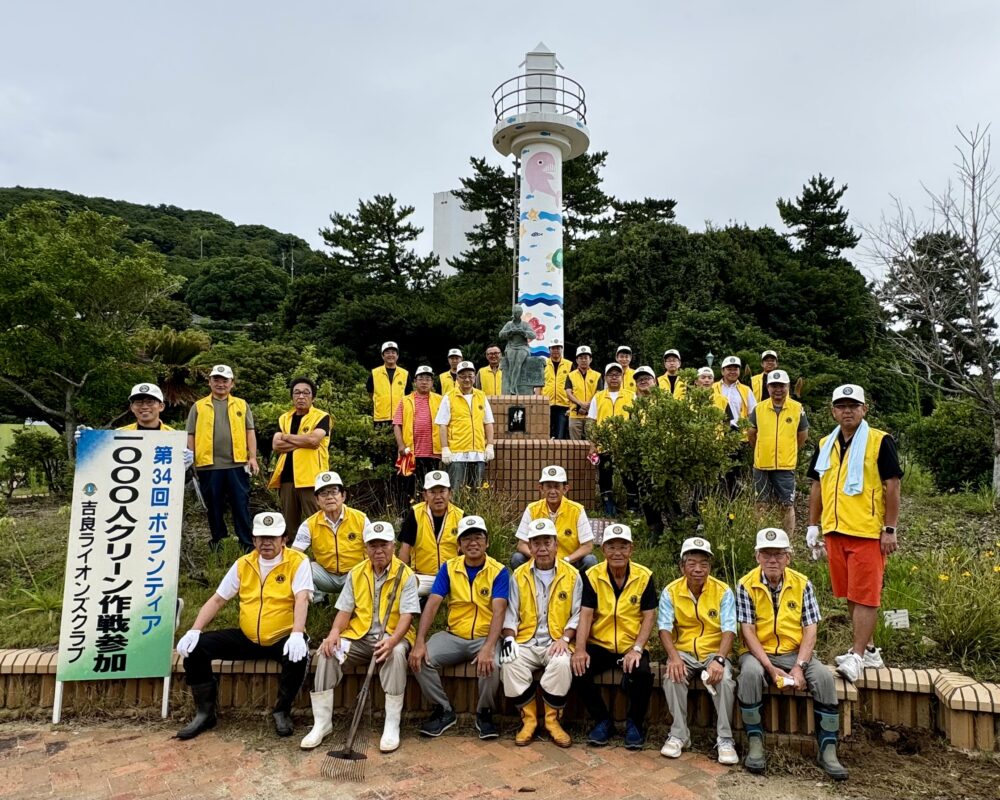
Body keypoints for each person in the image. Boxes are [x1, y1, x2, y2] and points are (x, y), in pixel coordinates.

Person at [174, 512, 312, 739]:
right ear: (254, 539)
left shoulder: (297, 562)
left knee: (298, 655)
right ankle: (204, 713)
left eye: (273, 537)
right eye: (261, 537)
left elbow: (302, 598)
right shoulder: (243, 564)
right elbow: (218, 599)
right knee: (197, 648)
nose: (266, 543)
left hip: (282, 636)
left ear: (284, 539)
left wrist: (297, 633)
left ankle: (282, 710)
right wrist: (194, 629)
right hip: (247, 637)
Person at [806, 384, 902, 682]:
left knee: (866, 596)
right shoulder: (825, 442)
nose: (847, 410)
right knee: (850, 593)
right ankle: (870, 650)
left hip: (866, 531)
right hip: (835, 529)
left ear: (864, 408)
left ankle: (858, 656)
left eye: (853, 405)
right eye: (841, 405)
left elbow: (893, 485)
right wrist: (812, 524)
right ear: (833, 410)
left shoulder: (879, 441)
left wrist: (889, 528)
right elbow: (817, 485)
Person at [736, 528, 847, 780]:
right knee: (750, 673)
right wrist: (770, 668)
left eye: (778, 554)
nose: (772, 560)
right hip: (757, 653)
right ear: (757, 557)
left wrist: (799, 666)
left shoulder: (802, 583)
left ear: (789, 557)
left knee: (824, 678)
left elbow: (810, 629)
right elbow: (748, 631)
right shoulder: (745, 584)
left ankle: (828, 750)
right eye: (766, 554)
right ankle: (755, 744)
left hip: (795, 652)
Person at [300, 521, 420, 754]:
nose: (378, 550)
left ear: (393, 546)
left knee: (395, 654)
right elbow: (344, 611)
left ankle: (391, 724)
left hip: (393, 635)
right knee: (328, 652)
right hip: (359, 635)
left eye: (383, 544)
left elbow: (407, 616)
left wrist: (393, 640)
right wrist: (334, 633)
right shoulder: (356, 572)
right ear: (366, 548)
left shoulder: (405, 574)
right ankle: (322, 723)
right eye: (373, 545)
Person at [409, 515, 509, 739]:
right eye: (467, 539)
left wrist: (489, 646)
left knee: (491, 663)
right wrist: (419, 641)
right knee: (419, 658)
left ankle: (484, 713)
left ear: (487, 542)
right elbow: (433, 603)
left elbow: (500, 610)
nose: (473, 543)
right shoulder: (449, 568)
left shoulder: (499, 571)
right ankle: (443, 709)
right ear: (459, 545)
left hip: (485, 635)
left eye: (478, 537)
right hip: (454, 634)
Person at [572, 524, 656, 749]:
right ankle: (602, 721)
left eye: (623, 547)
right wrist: (580, 649)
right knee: (578, 668)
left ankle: (635, 724)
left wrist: (637, 648)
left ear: (631, 549)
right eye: (611, 547)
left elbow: (649, 617)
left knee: (643, 673)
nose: (617, 552)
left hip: (630, 644)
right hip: (600, 643)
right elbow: (586, 615)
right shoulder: (591, 575)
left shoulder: (644, 576)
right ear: (603, 550)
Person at [657, 537, 738, 765]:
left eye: (703, 563)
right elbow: (664, 627)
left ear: (710, 567)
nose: (698, 569)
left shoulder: (723, 591)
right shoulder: (670, 591)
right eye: (691, 563)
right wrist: (673, 658)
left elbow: (729, 629)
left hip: (714, 651)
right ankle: (679, 734)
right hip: (683, 651)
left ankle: (725, 738)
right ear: (682, 566)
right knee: (672, 676)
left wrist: (720, 660)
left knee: (724, 680)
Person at [501, 518, 581, 748]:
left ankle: (552, 721)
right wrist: (508, 638)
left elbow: (578, 613)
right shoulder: (519, 575)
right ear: (530, 547)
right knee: (509, 661)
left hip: (557, 640)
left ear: (556, 544)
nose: (542, 548)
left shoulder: (573, 575)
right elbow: (511, 612)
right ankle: (529, 720)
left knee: (562, 664)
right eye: (536, 543)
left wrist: (565, 638)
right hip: (526, 639)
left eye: (547, 542)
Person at [186, 365, 258, 550]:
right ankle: (218, 541)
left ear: (231, 383)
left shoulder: (242, 404)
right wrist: (191, 459)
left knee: (240, 503)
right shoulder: (199, 406)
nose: (220, 384)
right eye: (216, 380)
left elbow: (249, 431)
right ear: (209, 382)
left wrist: (253, 457)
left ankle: (246, 543)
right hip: (208, 465)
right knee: (214, 505)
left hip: (237, 464)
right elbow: (191, 434)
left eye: (224, 380)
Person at [291, 472, 369, 603]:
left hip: (355, 574)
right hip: (326, 575)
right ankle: (318, 600)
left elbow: (375, 548)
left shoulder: (360, 518)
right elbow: (294, 554)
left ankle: (360, 602)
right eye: (323, 493)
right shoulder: (309, 524)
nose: (329, 497)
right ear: (317, 500)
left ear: (343, 496)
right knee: (300, 567)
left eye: (334, 492)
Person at [268, 377, 331, 541]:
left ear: (313, 397)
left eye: (306, 393)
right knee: (290, 526)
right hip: (287, 478)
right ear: (292, 396)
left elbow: (314, 440)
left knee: (317, 521)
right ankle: (294, 560)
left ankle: (322, 557)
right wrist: (303, 441)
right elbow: (276, 445)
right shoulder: (284, 418)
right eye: (297, 393)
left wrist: (287, 437)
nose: (301, 396)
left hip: (312, 479)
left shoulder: (322, 417)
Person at [747, 369, 808, 535]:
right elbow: (751, 433)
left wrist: (789, 449)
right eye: (774, 385)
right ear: (768, 387)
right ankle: (762, 537)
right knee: (761, 504)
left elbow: (802, 434)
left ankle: (787, 540)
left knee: (786, 505)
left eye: (781, 385)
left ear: (787, 386)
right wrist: (760, 449)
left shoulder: (797, 408)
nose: (778, 389)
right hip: (761, 465)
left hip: (785, 465)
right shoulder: (759, 408)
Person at [510, 465, 597, 571]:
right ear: (541, 488)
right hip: (539, 561)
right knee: (517, 558)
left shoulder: (577, 510)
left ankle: (581, 587)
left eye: (556, 487)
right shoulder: (532, 509)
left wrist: (567, 559)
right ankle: (527, 586)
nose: (552, 491)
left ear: (565, 489)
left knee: (590, 560)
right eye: (548, 487)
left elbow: (588, 546)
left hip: (569, 563)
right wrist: (538, 557)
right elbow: (521, 544)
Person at [397, 470, 464, 596]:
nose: (438, 497)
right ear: (425, 495)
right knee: (406, 589)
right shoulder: (415, 514)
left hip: (453, 576)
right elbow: (405, 550)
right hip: (422, 576)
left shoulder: (460, 516)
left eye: (442, 491)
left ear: (450, 493)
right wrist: (400, 577)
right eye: (432, 492)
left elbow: (467, 551)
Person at [436, 360, 495, 491]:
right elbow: (443, 425)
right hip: (457, 453)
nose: (467, 379)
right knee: (456, 491)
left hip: (478, 453)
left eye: (470, 375)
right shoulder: (449, 397)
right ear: (457, 378)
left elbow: (488, 422)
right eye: (462, 376)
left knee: (477, 491)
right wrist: (445, 448)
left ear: (474, 377)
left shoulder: (481, 396)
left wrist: (490, 445)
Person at [588, 363, 636, 516]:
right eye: (610, 374)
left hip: (625, 444)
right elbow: (592, 422)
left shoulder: (631, 395)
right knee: (605, 477)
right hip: (605, 444)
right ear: (605, 377)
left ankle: (632, 508)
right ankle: (609, 507)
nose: (614, 377)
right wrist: (592, 444)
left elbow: (635, 420)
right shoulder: (598, 396)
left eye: (617, 374)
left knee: (628, 477)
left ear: (622, 377)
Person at [392, 365, 442, 498]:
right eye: (421, 379)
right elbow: (397, 424)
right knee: (408, 486)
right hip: (410, 452)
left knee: (431, 486)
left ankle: (428, 514)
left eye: (427, 379)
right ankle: (405, 515)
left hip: (433, 452)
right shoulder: (405, 400)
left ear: (432, 382)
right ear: (415, 382)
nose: (424, 382)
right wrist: (401, 445)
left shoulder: (441, 400)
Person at [713, 356, 754, 498]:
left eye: (735, 369)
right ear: (722, 371)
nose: (732, 371)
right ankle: (717, 497)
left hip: (738, 435)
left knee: (734, 471)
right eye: (729, 369)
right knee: (717, 469)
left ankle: (732, 498)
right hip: (716, 435)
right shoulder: (713, 388)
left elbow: (752, 414)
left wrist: (749, 434)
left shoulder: (746, 390)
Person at [368, 341, 410, 424]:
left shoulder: (405, 374)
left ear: (397, 355)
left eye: (393, 352)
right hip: (380, 417)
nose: (391, 355)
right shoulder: (374, 373)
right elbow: (370, 393)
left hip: (400, 417)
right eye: (387, 352)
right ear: (382, 356)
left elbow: (408, 394)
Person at [566, 345, 601, 441]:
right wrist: (581, 404)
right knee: (575, 444)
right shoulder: (570, 375)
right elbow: (568, 393)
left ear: (590, 359)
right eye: (581, 358)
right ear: (577, 360)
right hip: (575, 415)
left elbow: (598, 394)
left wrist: (587, 406)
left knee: (592, 442)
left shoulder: (597, 375)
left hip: (591, 415)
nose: (583, 360)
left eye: (586, 357)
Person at [542, 338, 572, 439]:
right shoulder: (543, 364)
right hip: (546, 404)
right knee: (546, 433)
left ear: (561, 349)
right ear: (549, 350)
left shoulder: (569, 365)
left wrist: (571, 405)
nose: (556, 350)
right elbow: (538, 385)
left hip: (563, 405)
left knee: (561, 434)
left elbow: (574, 386)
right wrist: (537, 400)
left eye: (558, 348)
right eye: (553, 348)